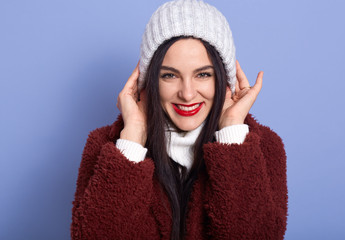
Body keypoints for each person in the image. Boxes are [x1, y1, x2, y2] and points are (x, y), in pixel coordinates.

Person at [71, 0, 288, 239]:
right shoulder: (107, 148)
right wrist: (132, 138)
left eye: (203, 74)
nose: (187, 93)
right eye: (170, 75)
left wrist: (233, 136)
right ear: (149, 81)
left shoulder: (263, 148)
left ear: (225, 82)